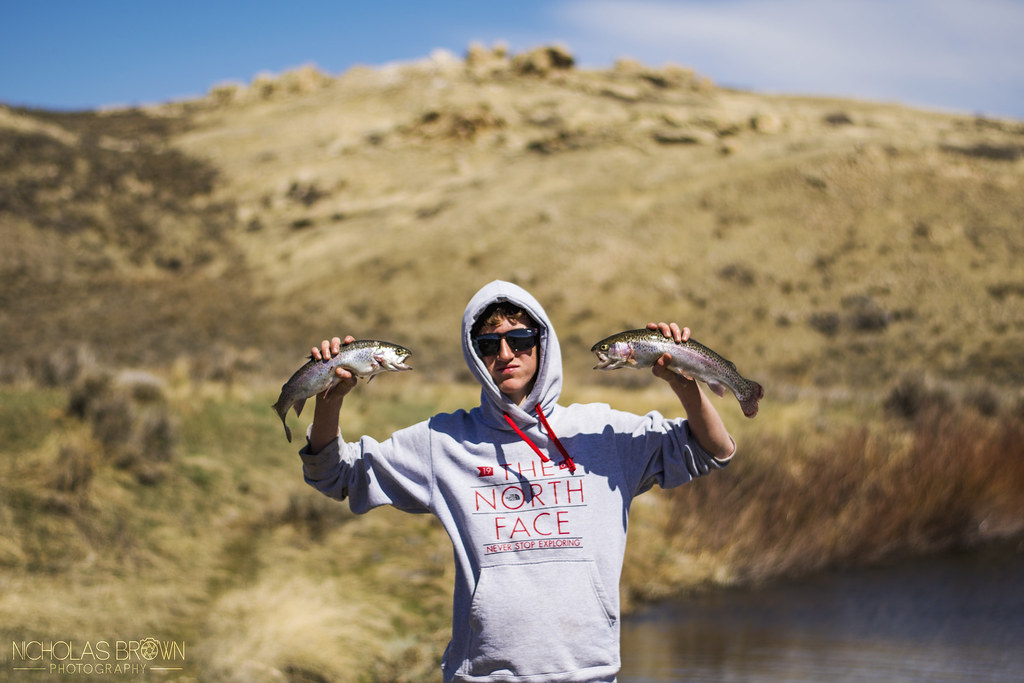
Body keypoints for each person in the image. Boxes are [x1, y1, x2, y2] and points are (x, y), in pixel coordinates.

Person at [299, 280, 736, 682]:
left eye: (520, 339)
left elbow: (712, 450)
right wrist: (329, 403)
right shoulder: (443, 441)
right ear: (475, 354)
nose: (505, 354)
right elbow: (337, 474)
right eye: (488, 344)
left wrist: (687, 384)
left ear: (542, 344)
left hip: (590, 674)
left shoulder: (603, 431)